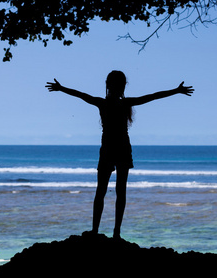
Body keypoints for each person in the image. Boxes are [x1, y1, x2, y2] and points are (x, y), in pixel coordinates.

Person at [46, 70, 194, 239]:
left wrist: (61, 88)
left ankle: (96, 231)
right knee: (119, 191)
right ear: (123, 86)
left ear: (108, 85)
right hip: (122, 148)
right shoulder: (124, 104)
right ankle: (116, 232)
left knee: (101, 191)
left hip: (109, 149)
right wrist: (176, 90)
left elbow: (81, 95)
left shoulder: (103, 103)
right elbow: (153, 96)